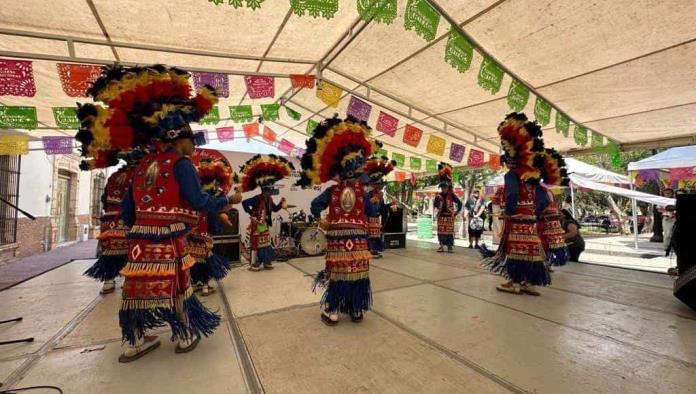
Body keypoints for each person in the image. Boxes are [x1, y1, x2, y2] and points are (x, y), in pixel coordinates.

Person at [77, 65, 242, 362]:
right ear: (179, 139)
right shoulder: (180, 165)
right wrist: (226, 201)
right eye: (192, 141)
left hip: (140, 241)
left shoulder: (141, 167)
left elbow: (128, 210)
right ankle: (182, 335)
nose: (194, 146)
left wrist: (140, 229)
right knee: (175, 285)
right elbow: (198, 200)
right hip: (169, 239)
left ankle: (134, 341)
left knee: (136, 289)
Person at [298, 115, 380, 325]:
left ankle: (333, 309)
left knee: (338, 274)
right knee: (357, 273)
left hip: (338, 243)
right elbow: (372, 213)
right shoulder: (362, 192)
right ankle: (355, 310)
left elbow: (315, 206)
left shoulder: (332, 191)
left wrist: (320, 221)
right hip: (359, 243)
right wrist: (374, 202)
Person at [482, 112, 550, 296]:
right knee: (530, 252)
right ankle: (529, 283)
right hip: (531, 223)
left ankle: (514, 283)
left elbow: (511, 196)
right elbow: (544, 200)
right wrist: (534, 213)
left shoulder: (511, 176)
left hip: (516, 220)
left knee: (515, 251)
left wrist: (510, 212)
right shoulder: (533, 178)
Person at [83, 159, 134, 294]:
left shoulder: (114, 176)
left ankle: (109, 281)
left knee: (109, 251)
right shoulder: (136, 175)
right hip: (125, 218)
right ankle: (126, 279)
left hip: (109, 219)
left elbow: (104, 198)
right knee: (129, 250)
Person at [188, 151, 235, 296]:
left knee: (194, 260)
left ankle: (197, 283)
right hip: (203, 233)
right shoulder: (210, 201)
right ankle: (205, 286)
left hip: (190, 234)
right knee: (206, 260)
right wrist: (219, 223)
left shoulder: (196, 198)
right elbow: (213, 222)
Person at [238, 154, 293, 271]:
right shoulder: (257, 198)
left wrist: (281, 204)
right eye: (269, 190)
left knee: (266, 243)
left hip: (265, 225)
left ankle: (266, 261)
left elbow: (274, 209)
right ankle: (254, 264)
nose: (271, 192)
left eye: (271, 190)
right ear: (264, 190)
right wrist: (251, 213)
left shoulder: (270, 199)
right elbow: (244, 203)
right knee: (256, 244)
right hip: (256, 225)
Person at [537, 149, 570, 270]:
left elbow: (542, 204)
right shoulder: (547, 189)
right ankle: (546, 263)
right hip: (550, 221)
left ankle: (544, 263)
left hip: (544, 221)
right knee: (546, 242)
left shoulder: (542, 188)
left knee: (543, 241)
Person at [364, 156, 397, 259]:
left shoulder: (380, 195)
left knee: (375, 236)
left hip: (376, 219)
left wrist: (390, 205)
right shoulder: (368, 193)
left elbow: (382, 208)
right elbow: (365, 206)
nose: (381, 187)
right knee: (369, 236)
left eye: (381, 185)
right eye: (379, 185)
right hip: (368, 219)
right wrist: (372, 200)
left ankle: (374, 251)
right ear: (374, 184)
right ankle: (368, 251)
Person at [434, 163, 462, 253]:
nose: (443, 189)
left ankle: (450, 247)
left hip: (449, 216)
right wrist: (439, 206)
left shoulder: (452, 195)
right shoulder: (438, 196)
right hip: (441, 216)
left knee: (449, 233)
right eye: (442, 187)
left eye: (445, 187)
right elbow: (435, 204)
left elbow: (460, 203)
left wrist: (456, 212)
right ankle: (441, 246)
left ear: (448, 187)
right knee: (441, 232)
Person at [660, 188, 676, 253]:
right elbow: (659, 209)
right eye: (666, 193)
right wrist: (666, 209)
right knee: (667, 233)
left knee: (674, 233)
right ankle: (666, 247)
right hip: (666, 218)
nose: (667, 194)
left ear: (672, 193)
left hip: (674, 218)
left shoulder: (675, 200)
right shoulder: (661, 200)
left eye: (669, 193)